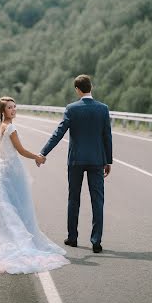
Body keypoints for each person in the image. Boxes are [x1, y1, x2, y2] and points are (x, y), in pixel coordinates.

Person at [0, 96, 69, 274]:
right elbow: (20, 150)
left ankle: (4, 242)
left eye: (14, 107)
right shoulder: (10, 127)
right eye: (10, 108)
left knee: (6, 207)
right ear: (3, 111)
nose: (14, 110)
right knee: (15, 207)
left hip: (0, 169)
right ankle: (17, 243)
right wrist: (38, 157)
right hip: (10, 172)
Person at [39, 75, 112, 253]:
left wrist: (43, 152)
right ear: (91, 87)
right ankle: (96, 241)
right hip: (96, 161)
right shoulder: (103, 109)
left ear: (77, 90)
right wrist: (108, 160)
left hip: (76, 161)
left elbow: (59, 133)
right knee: (98, 201)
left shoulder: (71, 109)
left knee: (74, 199)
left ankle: (72, 238)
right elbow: (106, 136)